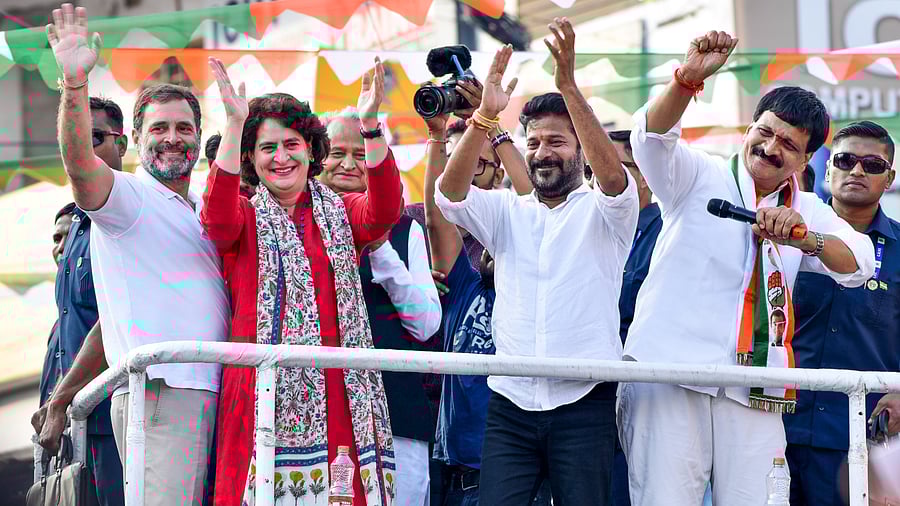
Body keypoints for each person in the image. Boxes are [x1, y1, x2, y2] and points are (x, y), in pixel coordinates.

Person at [620, 30, 875, 505]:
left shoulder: (805, 206)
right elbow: (650, 141)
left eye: (788, 145)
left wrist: (805, 237)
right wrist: (686, 80)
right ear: (750, 128)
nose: (771, 147)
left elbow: (860, 262)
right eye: (766, 132)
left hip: (756, 388)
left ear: (802, 160)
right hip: (672, 372)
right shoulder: (698, 174)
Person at [436, 19, 639, 504]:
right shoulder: (507, 211)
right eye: (533, 143)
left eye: (556, 142)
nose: (543, 153)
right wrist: (484, 116)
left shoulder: (607, 209)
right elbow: (449, 194)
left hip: (585, 402)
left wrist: (569, 89)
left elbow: (613, 182)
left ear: (582, 151)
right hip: (510, 403)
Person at [37, 6, 230, 504]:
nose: (173, 138)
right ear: (136, 140)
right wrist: (74, 83)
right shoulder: (127, 197)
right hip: (165, 391)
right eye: (160, 128)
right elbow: (80, 164)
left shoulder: (198, 209)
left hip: (219, 388)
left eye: (184, 128)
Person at [202, 57, 403, 506]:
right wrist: (235, 124)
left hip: (343, 389)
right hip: (262, 389)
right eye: (267, 147)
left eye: (291, 143)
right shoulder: (243, 214)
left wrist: (370, 126)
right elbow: (215, 219)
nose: (281, 157)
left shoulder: (342, 211)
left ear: (311, 150)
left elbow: (386, 210)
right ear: (250, 159)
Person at [320, 106, 442, 506]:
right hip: (318, 411)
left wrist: (381, 249)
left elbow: (426, 324)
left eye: (361, 154)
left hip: (397, 410)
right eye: (337, 153)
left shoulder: (406, 229)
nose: (349, 165)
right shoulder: (297, 222)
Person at [784, 120, 899, 505]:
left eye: (873, 165)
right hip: (773, 423)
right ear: (828, 167)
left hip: (862, 435)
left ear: (890, 177)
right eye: (846, 160)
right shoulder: (784, 237)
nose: (857, 171)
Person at [33, 95, 130, 506]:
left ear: (122, 145)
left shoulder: (130, 209)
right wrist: (53, 403)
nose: (81, 147)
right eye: (73, 137)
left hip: (118, 415)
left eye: (94, 137)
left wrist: (60, 401)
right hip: (77, 425)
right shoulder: (75, 225)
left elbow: (115, 318)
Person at [606, 129, 662, 506]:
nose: (601, 179)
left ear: (643, 175)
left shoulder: (667, 232)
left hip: (642, 391)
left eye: (612, 167)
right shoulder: (592, 222)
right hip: (587, 389)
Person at [39, 202, 76, 406]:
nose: (60, 247)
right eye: (56, 238)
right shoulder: (57, 325)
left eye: (69, 236)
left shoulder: (106, 304)